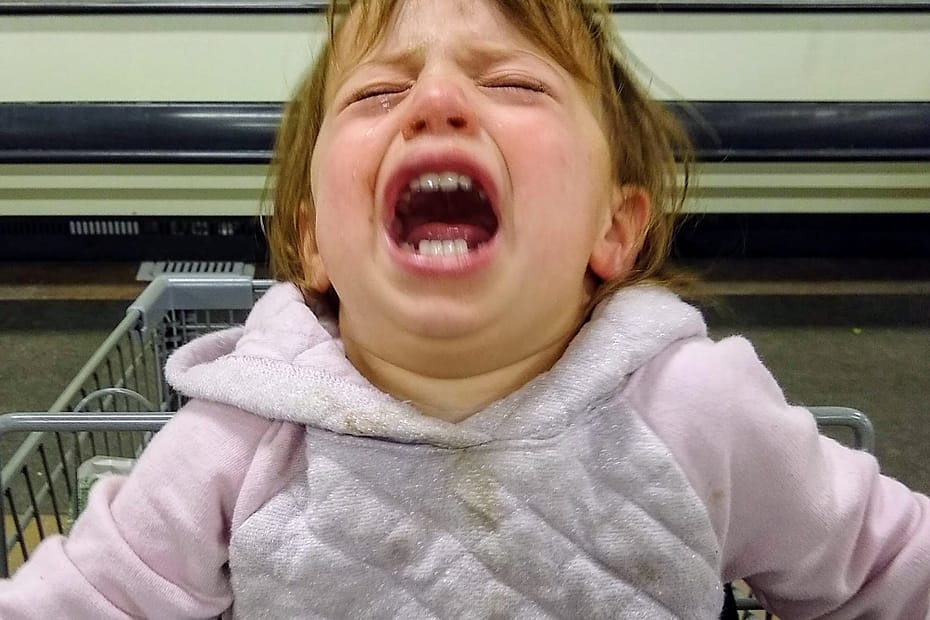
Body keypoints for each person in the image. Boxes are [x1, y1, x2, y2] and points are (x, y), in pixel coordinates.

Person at [2, 0, 929, 617]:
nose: (437, 100)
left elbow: (888, 566)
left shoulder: (697, 413)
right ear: (314, 241)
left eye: (515, 82)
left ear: (615, 226)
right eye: (377, 90)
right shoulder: (240, 438)